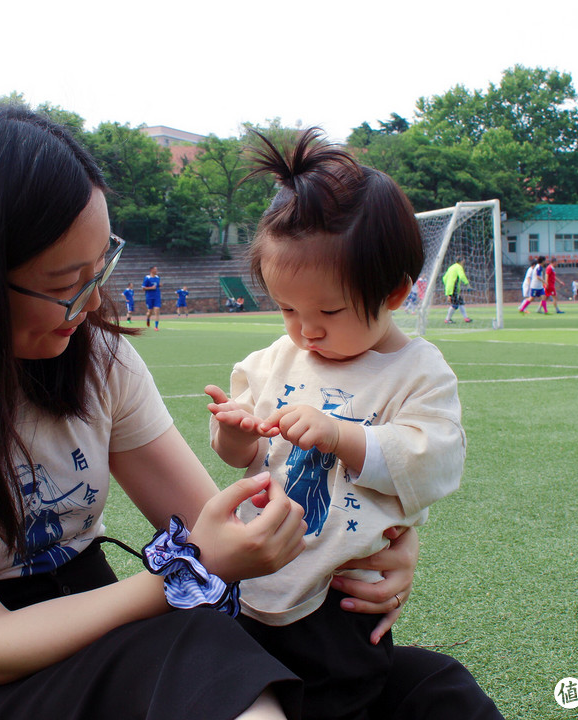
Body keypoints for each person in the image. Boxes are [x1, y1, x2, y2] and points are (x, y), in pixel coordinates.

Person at [0, 105, 443, 720]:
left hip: (115, 634)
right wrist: (189, 572)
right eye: (66, 284)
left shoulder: (97, 361)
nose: (91, 304)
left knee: (426, 688)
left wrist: (370, 542)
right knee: (201, 656)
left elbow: (228, 526)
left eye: (99, 270)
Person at [204, 129, 490, 720]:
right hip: (253, 581)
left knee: (341, 696)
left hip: (340, 596)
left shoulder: (416, 372)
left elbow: (436, 459)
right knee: (241, 680)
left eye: (327, 312)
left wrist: (344, 436)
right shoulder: (273, 363)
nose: (306, 331)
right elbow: (245, 457)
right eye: (287, 309)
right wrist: (234, 432)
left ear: (394, 293)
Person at [442, 257, 472, 323]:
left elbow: (444, 278)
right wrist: (467, 284)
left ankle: (466, 318)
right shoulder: (458, 267)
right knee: (455, 305)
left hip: (449, 288)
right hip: (453, 288)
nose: (463, 263)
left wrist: (448, 286)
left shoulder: (451, 267)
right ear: (461, 262)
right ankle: (447, 319)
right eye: (463, 262)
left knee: (461, 302)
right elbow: (462, 276)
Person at [143, 266, 161, 330]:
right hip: (149, 297)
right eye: (155, 269)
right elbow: (143, 288)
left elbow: (157, 285)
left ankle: (156, 327)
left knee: (157, 311)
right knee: (150, 312)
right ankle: (148, 318)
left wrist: (159, 285)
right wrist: (151, 288)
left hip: (157, 297)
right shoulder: (147, 278)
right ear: (151, 270)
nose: (156, 271)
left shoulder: (158, 277)